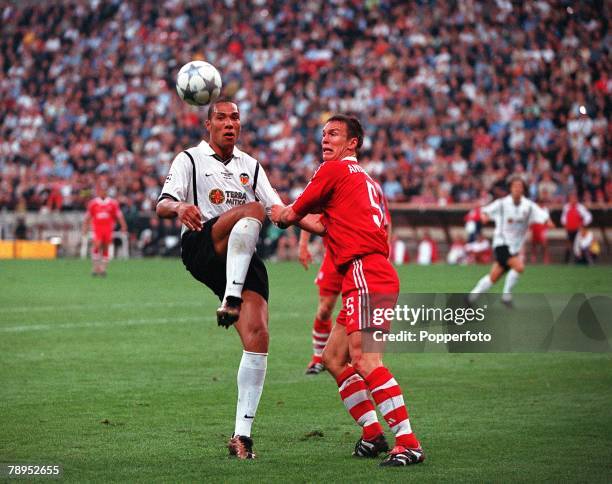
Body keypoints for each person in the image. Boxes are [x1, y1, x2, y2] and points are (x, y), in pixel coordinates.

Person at [156, 98, 323, 460]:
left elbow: (280, 211)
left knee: (258, 336)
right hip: (203, 244)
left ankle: (242, 436)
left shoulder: (251, 165)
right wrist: (181, 206)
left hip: (241, 256)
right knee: (252, 210)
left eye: (235, 118)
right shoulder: (190, 159)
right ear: (208, 124)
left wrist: (324, 228)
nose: (229, 123)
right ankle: (231, 299)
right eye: (221, 118)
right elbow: (162, 203)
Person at [271, 114, 424, 467]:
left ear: (352, 143)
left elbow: (293, 213)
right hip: (365, 271)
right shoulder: (366, 180)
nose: (325, 139)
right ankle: (372, 434)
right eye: (323, 134)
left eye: (334, 134)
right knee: (333, 359)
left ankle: (409, 443)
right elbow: (323, 224)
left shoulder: (334, 171)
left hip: (365, 270)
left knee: (367, 361)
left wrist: (275, 210)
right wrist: (285, 213)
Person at [298, 183, 390, 375]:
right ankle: (318, 358)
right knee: (324, 309)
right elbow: (305, 210)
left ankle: (362, 358)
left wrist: (385, 255)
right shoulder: (327, 181)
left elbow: (385, 223)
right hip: (333, 257)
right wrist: (303, 245)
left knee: (358, 310)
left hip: (361, 257)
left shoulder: (372, 186)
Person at [467, 176, 553, 307]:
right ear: (510, 188)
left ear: (524, 189)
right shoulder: (501, 203)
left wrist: (548, 222)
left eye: (520, 186)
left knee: (494, 277)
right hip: (501, 243)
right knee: (519, 267)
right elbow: (485, 211)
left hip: (515, 247)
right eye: (515, 186)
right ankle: (506, 296)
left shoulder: (529, 206)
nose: (517, 188)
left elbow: (543, 216)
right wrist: (484, 216)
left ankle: (471, 296)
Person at [82, 183, 128, 276]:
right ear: (98, 191)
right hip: (97, 227)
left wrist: (123, 225)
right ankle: (95, 267)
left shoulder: (112, 203)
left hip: (108, 228)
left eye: (105, 190)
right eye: (101, 190)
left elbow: (119, 215)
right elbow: (88, 217)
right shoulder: (93, 203)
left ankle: (103, 269)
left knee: (105, 247)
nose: (103, 192)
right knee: (97, 245)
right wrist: (85, 227)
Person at [561, 192, 592, 263]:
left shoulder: (580, 207)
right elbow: (563, 217)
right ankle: (566, 261)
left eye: (574, 198)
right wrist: (565, 224)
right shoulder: (566, 207)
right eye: (571, 198)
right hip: (569, 229)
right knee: (569, 245)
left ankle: (583, 261)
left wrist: (583, 224)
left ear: (576, 199)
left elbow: (588, 217)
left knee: (578, 245)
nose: (572, 200)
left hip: (578, 229)